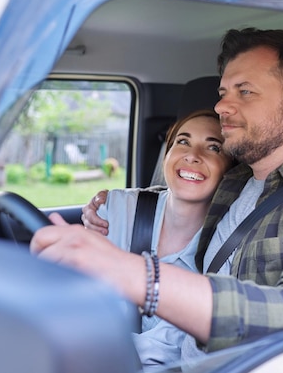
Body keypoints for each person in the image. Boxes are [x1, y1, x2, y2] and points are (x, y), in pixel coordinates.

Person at [31, 28, 283, 362]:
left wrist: (135, 275)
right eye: (223, 93)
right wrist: (109, 201)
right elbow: (180, 188)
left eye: (245, 92)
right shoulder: (239, 179)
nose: (222, 106)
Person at [70, 109, 234, 368]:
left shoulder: (225, 250)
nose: (193, 155)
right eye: (183, 141)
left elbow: (167, 353)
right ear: (167, 154)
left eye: (214, 148)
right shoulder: (118, 208)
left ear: (231, 170)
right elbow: (83, 304)